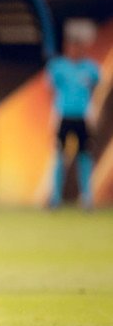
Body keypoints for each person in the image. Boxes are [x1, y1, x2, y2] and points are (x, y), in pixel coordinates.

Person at [46, 22, 101, 209]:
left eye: (78, 45)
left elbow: (97, 89)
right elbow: (51, 92)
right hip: (63, 116)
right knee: (60, 156)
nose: (75, 49)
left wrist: (92, 112)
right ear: (67, 47)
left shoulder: (91, 68)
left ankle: (87, 198)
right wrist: (53, 116)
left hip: (83, 118)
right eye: (72, 44)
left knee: (84, 157)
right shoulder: (58, 67)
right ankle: (55, 198)